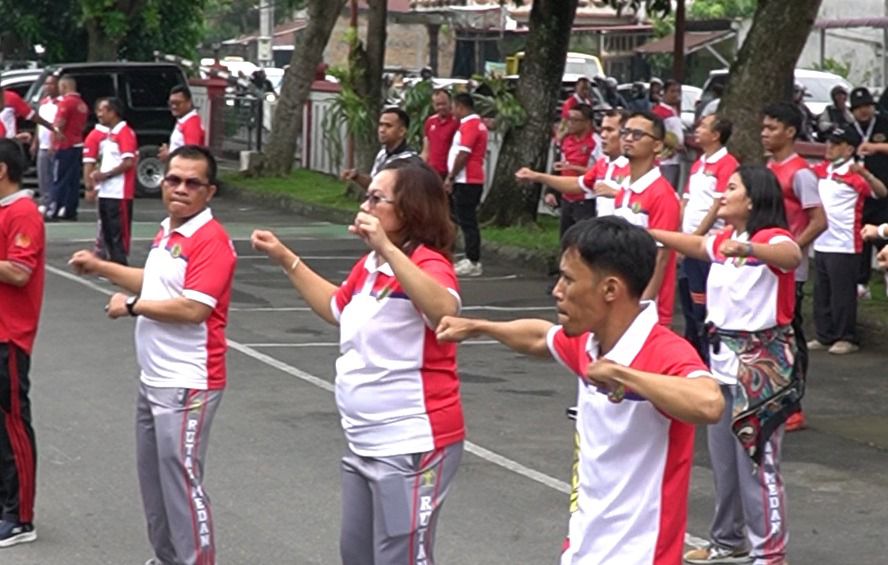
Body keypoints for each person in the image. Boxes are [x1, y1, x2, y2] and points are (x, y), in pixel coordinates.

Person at [436, 216, 724, 565]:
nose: (557, 290)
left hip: (640, 555)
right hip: (584, 547)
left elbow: (709, 403)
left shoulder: (661, 350)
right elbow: (541, 337)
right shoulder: (588, 342)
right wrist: (481, 326)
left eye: (569, 279)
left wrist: (625, 375)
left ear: (610, 289)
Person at [250, 159, 465, 565]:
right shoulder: (371, 266)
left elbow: (444, 313)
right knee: (357, 553)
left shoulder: (427, 263)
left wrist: (386, 246)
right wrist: (286, 258)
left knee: (400, 556)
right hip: (364, 440)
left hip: (411, 443)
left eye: (376, 199)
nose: (365, 205)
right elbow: (336, 307)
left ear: (409, 211)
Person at [69, 145, 237, 565]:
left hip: (187, 383)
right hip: (155, 379)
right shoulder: (170, 231)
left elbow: (193, 309)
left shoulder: (211, 241)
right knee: (156, 482)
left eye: (192, 183)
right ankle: (166, 558)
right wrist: (102, 267)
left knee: (182, 484)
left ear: (210, 191)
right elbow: (157, 282)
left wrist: (129, 306)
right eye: (173, 179)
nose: (180, 189)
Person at [650, 165, 803, 565]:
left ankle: (769, 554)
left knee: (758, 465)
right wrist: (645, 233)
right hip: (722, 364)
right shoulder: (727, 241)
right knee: (724, 462)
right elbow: (692, 245)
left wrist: (752, 250)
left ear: (752, 200)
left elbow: (790, 255)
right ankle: (728, 540)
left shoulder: (769, 238)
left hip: (761, 370)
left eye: (731, 188)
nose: (722, 194)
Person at [763, 101, 826, 431]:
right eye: (763, 128)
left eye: (771, 128)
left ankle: (795, 405)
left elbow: (819, 221)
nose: (765, 134)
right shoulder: (769, 168)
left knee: (791, 334)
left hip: (791, 270)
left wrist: (791, 248)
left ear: (790, 132)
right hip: (767, 267)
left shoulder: (800, 173)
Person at [0, 139, 44, 548]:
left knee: (13, 424)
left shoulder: (23, 212)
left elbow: (18, 272)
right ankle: (5, 505)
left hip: (9, 336)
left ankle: (21, 516)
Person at [809, 128, 886, 354]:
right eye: (829, 143)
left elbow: (881, 193)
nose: (829, 148)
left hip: (845, 243)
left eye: (836, 144)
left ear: (849, 149)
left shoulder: (855, 175)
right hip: (821, 241)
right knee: (821, 292)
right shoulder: (821, 170)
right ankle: (824, 334)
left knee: (842, 293)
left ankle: (846, 336)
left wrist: (865, 174)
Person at [679, 114, 739, 361]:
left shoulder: (727, 163)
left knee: (703, 301)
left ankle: (707, 356)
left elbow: (717, 205)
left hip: (706, 244)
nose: (697, 129)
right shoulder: (699, 163)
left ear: (716, 135)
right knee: (689, 300)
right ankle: (692, 350)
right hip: (689, 241)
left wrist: (694, 238)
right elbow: (687, 199)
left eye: (703, 126)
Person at [615, 110, 680, 326]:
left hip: (646, 308)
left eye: (637, 134)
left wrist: (643, 304)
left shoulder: (662, 194)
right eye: (625, 133)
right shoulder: (625, 188)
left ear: (657, 146)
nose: (628, 139)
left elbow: (661, 257)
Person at [85, 97, 138, 265]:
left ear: (113, 112)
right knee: (107, 232)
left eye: (103, 110)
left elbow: (128, 162)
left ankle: (120, 265)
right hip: (107, 191)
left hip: (119, 192)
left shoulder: (125, 133)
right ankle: (111, 266)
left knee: (118, 234)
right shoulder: (109, 134)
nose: (99, 114)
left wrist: (105, 175)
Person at [848, 86, 888, 298]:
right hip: (860, 196)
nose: (863, 111)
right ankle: (861, 283)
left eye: (867, 106)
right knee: (861, 238)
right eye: (859, 108)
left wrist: (875, 147)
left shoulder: (883, 123)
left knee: (884, 234)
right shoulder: (848, 129)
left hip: (884, 193)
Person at [446, 92, 489, 277]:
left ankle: (473, 260)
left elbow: (464, 153)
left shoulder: (470, 125)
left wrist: (451, 176)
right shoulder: (472, 124)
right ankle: (470, 257)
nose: (452, 110)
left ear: (461, 106)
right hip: (468, 179)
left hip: (467, 179)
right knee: (463, 219)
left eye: (454, 106)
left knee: (467, 221)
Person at [342, 107, 418, 190]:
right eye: (381, 125)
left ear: (402, 131)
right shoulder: (382, 154)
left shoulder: (409, 161)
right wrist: (357, 177)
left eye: (388, 126)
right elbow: (374, 184)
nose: (382, 130)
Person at [48, 75, 89, 221]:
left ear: (64, 86)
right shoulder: (82, 104)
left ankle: (54, 209)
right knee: (73, 180)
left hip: (65, 145)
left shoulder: (66, 103)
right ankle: (70, 210)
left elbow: (59, 124)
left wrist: (53, 143)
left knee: (58, 178)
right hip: (77, 144)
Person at [31, 76, 59, 216]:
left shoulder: (60, 104)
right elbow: (39, 124)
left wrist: (54, 143)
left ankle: (54, 203)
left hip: (54, 146)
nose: (48, 87)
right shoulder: (43, 103)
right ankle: (45, 201)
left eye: (51, 84)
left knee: (53, 175)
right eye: (46, 84)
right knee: (43, 176)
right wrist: (35, 141)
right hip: (43, 144)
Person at [652, 79, 685, 191]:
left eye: (678, 91)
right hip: (665, 160)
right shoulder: (659, 111)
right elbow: (656, 132)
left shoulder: (674, 110)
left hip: (676, 159)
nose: (676, 95)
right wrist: (673, 145)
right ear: (664, 92)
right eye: (672, 91)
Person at [158, 85, 206, 161]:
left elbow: (191, 156)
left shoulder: (192, 124)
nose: (173, 106)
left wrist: (169, 155)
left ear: (189, 102)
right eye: (171, 103)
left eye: (177, 103)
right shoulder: (183, 120)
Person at [421, 89, 459, 179]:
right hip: (430, 172)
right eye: (437, 104)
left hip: (448, 172)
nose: (441, 107)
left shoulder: (457, 122)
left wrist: (451, 176)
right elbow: (426, 149)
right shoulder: (430, 121)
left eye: (444, 104)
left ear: (450, 103)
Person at [558, 77, 594, 141]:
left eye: (587, 89)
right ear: (576, 88)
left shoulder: (588, 102)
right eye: (583, 89)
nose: (585, 92)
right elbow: (565, 122)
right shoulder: (570, 103)